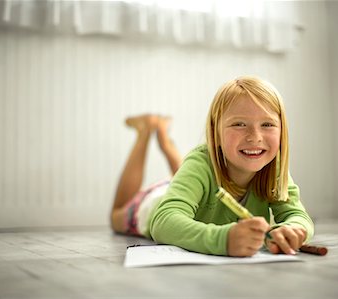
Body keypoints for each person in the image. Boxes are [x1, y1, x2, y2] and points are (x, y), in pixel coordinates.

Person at [110, 76, 314, 257]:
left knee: (191, 175)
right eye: (239, 124)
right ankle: (145, 132)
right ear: (215, 132)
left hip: (188, 188)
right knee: (116, 215)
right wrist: (222, 240)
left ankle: (163, 136)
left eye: (267, 124)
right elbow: (164, 221)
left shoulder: (274, 168)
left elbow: (297, 216)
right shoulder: (200, 161)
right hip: (151, 204)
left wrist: (293, 229)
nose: (255, 137)